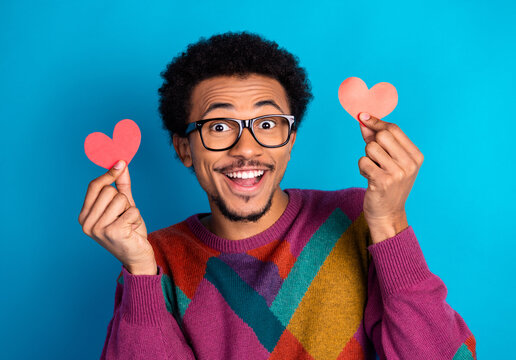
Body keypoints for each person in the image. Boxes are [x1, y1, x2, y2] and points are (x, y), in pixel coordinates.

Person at [78, 32, 477, 360]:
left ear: (290, 141)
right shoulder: (154, 259)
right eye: (219, 126)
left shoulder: (356, 219)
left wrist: (390, 224)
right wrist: (141, 272)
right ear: (185, 149)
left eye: (267, 123)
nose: (247, 148)